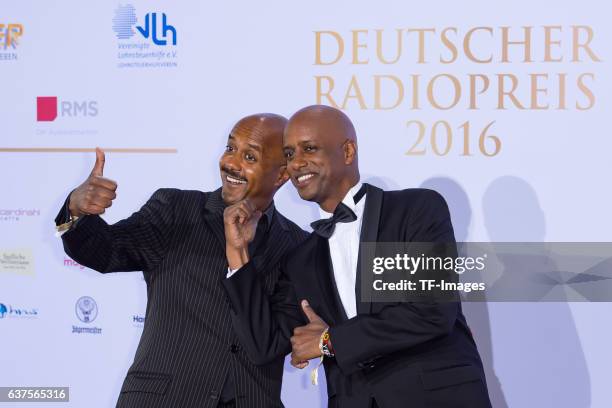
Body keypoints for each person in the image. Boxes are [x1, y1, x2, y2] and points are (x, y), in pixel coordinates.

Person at [222, 105, 492, 407]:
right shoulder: (301, 258)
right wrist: (238, 253)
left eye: (309, 149)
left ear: (348, 151)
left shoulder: (415, 210)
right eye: (288, 154)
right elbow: (265, 345)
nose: (296, 163)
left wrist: (329, 341)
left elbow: (430, 313)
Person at [55, 114, 307, 408]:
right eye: (230, 148)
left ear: (280, 175)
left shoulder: (298, 247)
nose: (230, 163)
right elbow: (105, 251)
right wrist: (75, 210)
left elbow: (270, 345)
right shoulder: (176, 210)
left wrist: (239, 258)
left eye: (249, 156)